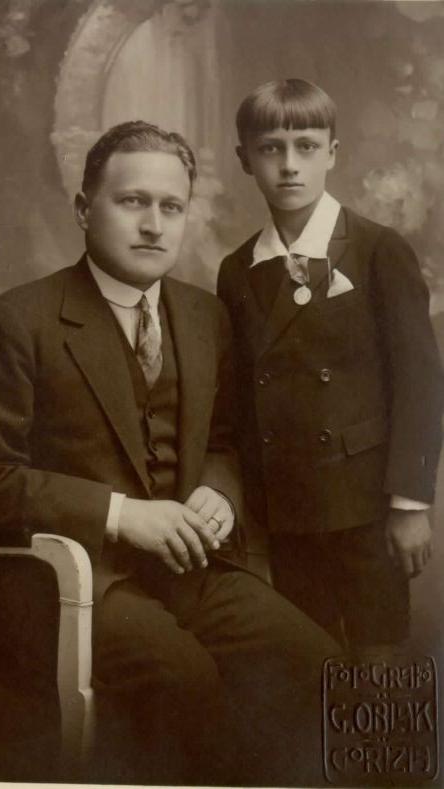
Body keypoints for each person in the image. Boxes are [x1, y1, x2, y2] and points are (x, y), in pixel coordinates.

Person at [0, 120, 337, 786]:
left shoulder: (204, 317)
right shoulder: (18, 321)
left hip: (185, 567)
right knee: (184, 681)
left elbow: (223, 442)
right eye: (133, 202)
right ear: (83, 209)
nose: (154, 225)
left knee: (315, 661)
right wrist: (121, 514)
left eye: (171, 207)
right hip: (68, 583)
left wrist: (218, 492)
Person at [217, 79, 444, 651]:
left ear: (332, 154)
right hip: (284, 507)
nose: (289, 165)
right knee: (306, 656)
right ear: (245, 160)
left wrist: (410, 504)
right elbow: (240, 396)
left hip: (366, 504)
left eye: (306, 146)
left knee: (377, 656)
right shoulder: (238, 269)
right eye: (270, 149)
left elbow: (420, 385)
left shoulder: (377, 249)